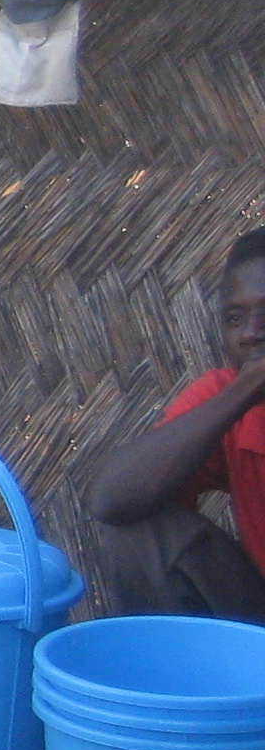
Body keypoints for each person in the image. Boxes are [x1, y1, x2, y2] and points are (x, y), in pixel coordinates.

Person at [80, 228, 265, 621]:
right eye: (235, 318)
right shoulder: (227, 396)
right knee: (138, 534)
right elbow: (110, 499)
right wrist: (246, 388)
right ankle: (171, 679)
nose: (251, 333)